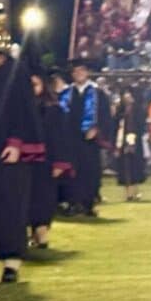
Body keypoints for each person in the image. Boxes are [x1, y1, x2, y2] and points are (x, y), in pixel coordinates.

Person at [0, 44, 42, 283]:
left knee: (9, 205)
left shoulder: (13, 69)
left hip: (7, 149)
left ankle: (11, 262)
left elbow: (23, 108)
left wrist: (16, 142)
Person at [28, 72, 72, 249]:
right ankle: (32, 233)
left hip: (47, 160)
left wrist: (60, 162)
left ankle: (42, 232)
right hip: (25, 161)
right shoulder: (20, 108)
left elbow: (60, 138)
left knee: (44, 197)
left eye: (35, 85)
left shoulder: (53, 109)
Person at [59, 58, 103, 216]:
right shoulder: (66, 94)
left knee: (89, 171)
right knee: (71, 172)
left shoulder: (98, 93)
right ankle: (72, 203)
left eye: (82, 70)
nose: (79, 73)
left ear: (88, 72)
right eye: (75, 71)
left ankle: (88, 204)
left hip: (89, 141)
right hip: (70, 139)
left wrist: (96, 129)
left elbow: (106, 116)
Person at [114, 87, 148, 200]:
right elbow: (116, 125)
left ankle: (136, 191)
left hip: (135, 141)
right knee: (125, 167)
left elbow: (140, 124)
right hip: (122, 141)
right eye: (125, 94)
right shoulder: (120, 110)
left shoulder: (137, 109)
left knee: (135, 166)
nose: (127, 97)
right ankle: (128, 193)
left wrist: (132, 141)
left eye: (129, 94)